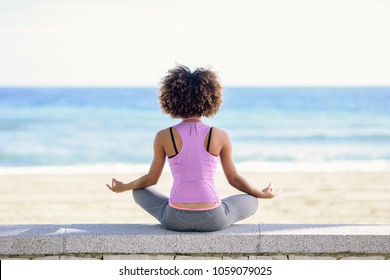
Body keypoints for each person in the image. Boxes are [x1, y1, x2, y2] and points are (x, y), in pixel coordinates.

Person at [106, 65, 281, 232]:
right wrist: (262, 194)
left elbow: (151, 180)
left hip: (174, 219)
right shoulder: (220, 135)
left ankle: (171, 206)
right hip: (213, 219)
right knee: (252, 199)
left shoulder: (163, 136)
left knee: (139, 191)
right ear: (211, 98)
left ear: (171, 99)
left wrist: (124, 187)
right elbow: (234, 179)